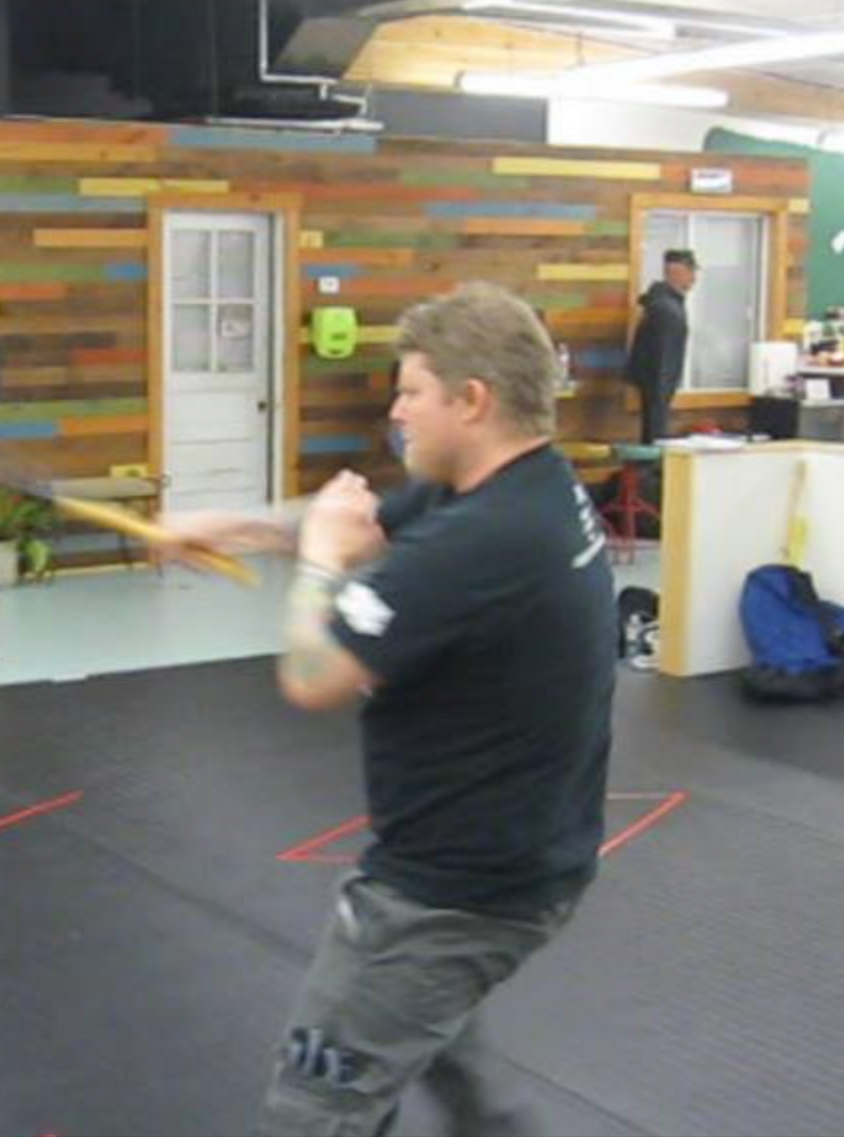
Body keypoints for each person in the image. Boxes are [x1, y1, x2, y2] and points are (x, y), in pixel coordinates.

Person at [169, 283, 615, 1136]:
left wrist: (322, 569)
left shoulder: (483, 541)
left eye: (411, 391)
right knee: (443, 1053)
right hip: (517, 865)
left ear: (471, 399)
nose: (397, 410)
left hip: (449, 895)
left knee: (314, 1108)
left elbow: (314, 673)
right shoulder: (522, 487)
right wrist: (227, 524)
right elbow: (361, 520)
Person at [626, 248, 698, 444]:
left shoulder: (662, 303)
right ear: (675, 271)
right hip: (658, 389)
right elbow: (662, 365)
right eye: (690, 270)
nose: (694, 277)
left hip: (656, 388)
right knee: (656, 438)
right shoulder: (666, 310)